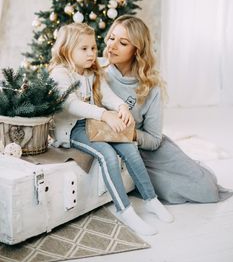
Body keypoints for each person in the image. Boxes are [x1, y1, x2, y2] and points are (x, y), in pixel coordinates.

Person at [49, 22, 174, 236]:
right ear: (66, 49)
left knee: (129, 147)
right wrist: (105, 115)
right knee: (107, 153)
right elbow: (70, 105)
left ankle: (151, 199)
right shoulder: (61, 73)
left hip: (95, 123)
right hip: (73, 129)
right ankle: (125, 210)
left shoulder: (92, 72)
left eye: (94, 48)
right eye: (84, 49)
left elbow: (106, 95)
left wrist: (121, 106)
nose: (92, 53)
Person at [103, 15, 232, 204]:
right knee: (163, 186)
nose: (112, 46)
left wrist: (128, 133)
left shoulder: (150, 86)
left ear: (137, 50)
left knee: (205, 188)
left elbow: (154, 139)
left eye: (122, 43)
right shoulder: (96, 72)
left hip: (147, 147)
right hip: (121, 151)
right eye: (111, 38)